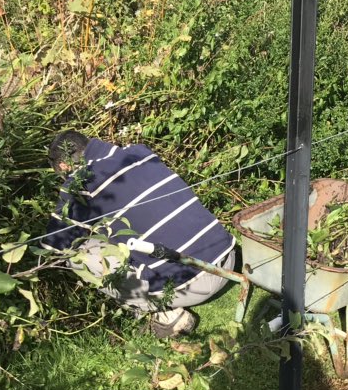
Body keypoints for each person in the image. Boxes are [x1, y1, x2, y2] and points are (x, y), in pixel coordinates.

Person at [45, 131, 236, 337]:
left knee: (76, 255)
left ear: (63, 166)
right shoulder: (139, 152)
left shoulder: (79, 184)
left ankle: (165, 315)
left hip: (192, 285)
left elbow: (55, 245)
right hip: (228, 259)